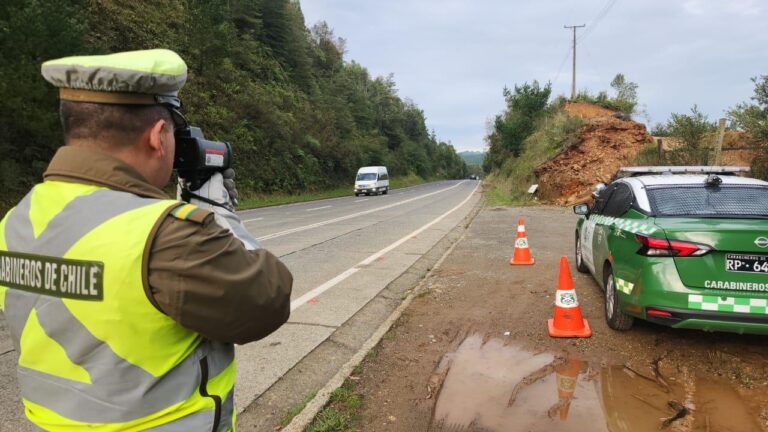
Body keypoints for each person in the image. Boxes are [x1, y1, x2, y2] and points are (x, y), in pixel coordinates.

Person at [0, 49, 293, 431]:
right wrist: (221, 215)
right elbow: (267, 300)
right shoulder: (168, 236)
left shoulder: (16, 221)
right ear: (157, 137)